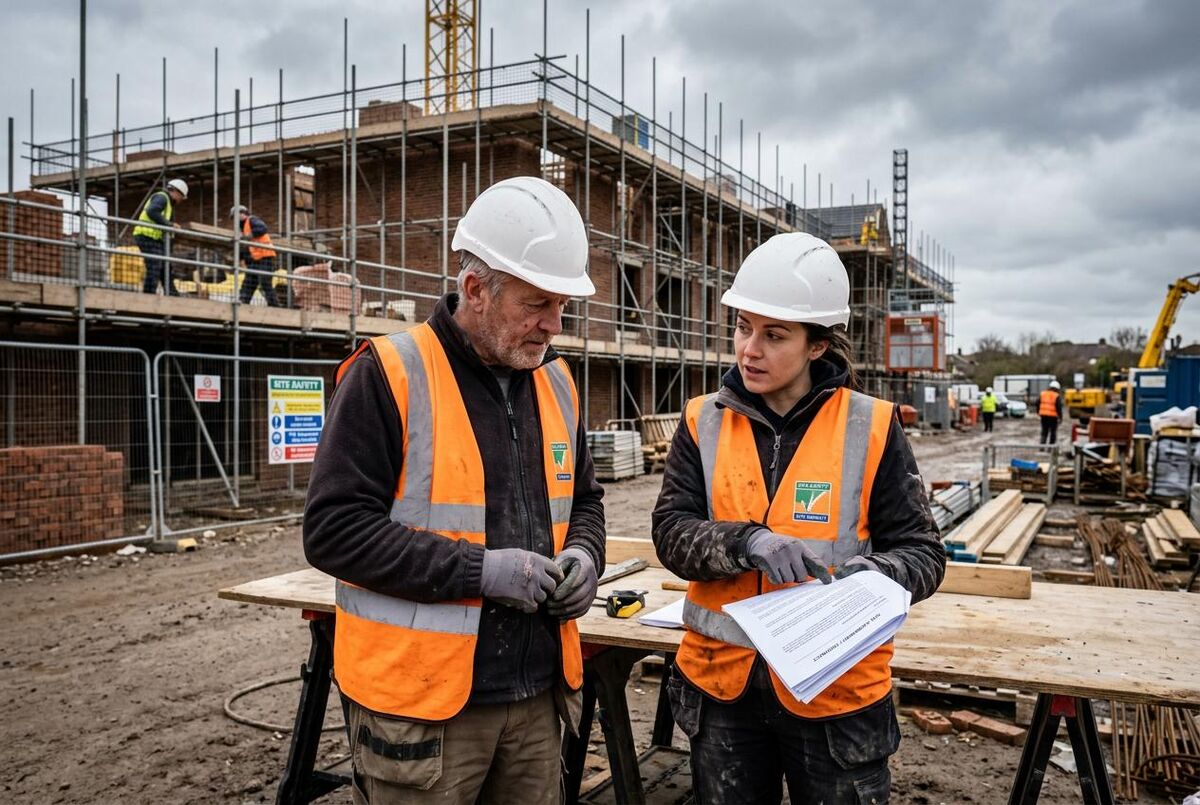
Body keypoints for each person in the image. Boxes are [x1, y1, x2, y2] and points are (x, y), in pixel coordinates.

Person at [303, 176, 605, 804]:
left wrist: (584, 555)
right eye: (537, 304)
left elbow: (585, 502)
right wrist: (480, 571)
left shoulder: (556, 384)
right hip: (423, 710)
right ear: (475, 290)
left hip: (534, 695)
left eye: (561, 307)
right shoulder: (386, 375)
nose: (553, 325)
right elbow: (334, 530)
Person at [652, 232, 945, 804]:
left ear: (817, 346)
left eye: (774, 335)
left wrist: (876, 578)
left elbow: (923, 553)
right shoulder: (701, 422)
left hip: (836, 697)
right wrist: (746, 542)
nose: (749, 350)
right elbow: (670, 533)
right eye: (742, 328)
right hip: (723, 691)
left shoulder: (872, 427)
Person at [133, 178, 187, 295]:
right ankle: (148, 296)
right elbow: (151, 211)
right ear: (177, 192)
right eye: (181, 197)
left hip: (154, 238)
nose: (180, 201)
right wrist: (170, 225)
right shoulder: (162, 197)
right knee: (155, 266)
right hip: (146, 235)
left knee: (165, 266)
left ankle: (172, 293)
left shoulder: (167, 203)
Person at [231, 205, 281, 307]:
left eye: (235, 217)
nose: (234, 220)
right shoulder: (244, 227)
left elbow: (262, 228)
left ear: (242, 213)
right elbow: (247, 246)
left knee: (265, 282)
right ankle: (243, 304)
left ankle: (274, 306)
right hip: (255, 259)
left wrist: (247, 237)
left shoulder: (252, 220)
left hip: (265, 257)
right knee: (249, 283)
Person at [1039, 380, 1063, 444]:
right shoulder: (1056, 396)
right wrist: (1060, 417)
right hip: (1053, 417)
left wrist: (1039, 412)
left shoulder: (1043, 394)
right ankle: (1051, 448)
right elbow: (1059, 407)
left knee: (1044, 431)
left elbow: (1037, 403)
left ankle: (1042, 446)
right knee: (1053, 432)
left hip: (1043, 416)